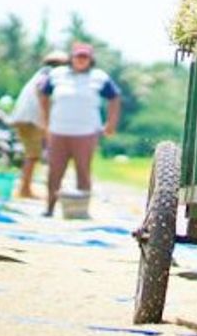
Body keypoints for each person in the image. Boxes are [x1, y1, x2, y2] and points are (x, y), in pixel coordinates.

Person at [37, 42, 121, 217]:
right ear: (71, 58)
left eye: (85, 57)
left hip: (86, 132)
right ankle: (50, 208)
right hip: (58, 130)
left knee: (83, 170)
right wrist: (45, 119)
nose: (81, 60)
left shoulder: (99, 77)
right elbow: (43, 93)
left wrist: (111, 123)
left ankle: (81, 210)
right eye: (78, 56)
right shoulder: (57, 74)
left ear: (91, 60)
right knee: (55, 171)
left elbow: (115, 97)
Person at [8, 50, 69, 198]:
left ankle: (26, 187)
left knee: (32, 153)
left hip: (26, 117)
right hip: (32, 118)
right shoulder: (49, 75)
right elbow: (42, 94)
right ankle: (25, 189)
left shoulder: (42, 74)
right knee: (32, 155)